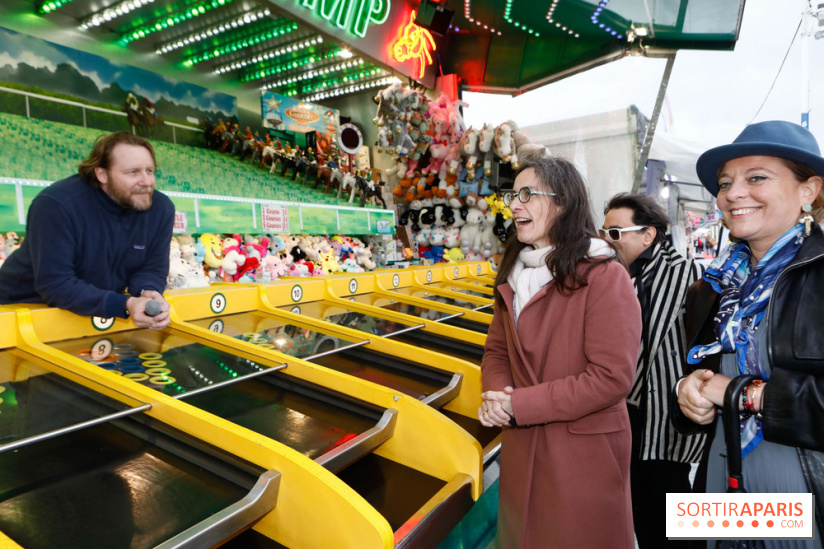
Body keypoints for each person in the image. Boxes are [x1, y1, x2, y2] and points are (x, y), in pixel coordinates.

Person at [674, 120, 824, 548]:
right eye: (725, 183)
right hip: (722, 483)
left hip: (804, 494)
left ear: (808, 190)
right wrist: (687, 392)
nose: (732, 194)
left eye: (756, 177)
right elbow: (702, 383)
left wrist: (748, 395)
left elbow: (733, 389)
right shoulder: (711, 287)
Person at [479, 156, 642, 548]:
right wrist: (497, 396)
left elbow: (611, 378)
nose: (513, 205)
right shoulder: (515, 273)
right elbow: (497, 351)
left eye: (526, 194)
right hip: (522, 446)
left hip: (581, 455)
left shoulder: (603, 274)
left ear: (563, 202)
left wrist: (520, 404)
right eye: (511, 195)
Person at [602, 193, 706, 548]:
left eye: (615, 233)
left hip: (668, 420)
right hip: (629, 415)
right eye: (604, 232)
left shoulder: (688, 275)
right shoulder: (619, 277)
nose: (606, 240)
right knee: (641, 514)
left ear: (648, 236)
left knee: (674, 518)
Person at [0, 131, 173, 330]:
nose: (147, 182)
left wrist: (148, 292)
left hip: (88, 309)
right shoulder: (56, 205)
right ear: (102, 174)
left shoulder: (161, 209)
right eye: (133, 172)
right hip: (20, 309)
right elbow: (56, 284)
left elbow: (151, 268)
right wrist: (124, 304)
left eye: (150, 171)